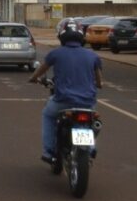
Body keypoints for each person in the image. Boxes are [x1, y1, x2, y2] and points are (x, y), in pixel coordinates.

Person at [28, 18, 103, 164]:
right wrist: (95, 84)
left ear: (61, 36)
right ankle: (91, 147)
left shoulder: (56, 54)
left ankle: (48, 151)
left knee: (48, 115)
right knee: (91, 122)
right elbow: (99, 82)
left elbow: (41, 70)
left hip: (63, 101)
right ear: (82, 36)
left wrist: (33, 78)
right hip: (87, 103)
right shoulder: (93, 55)